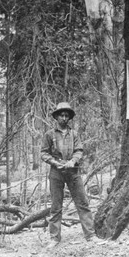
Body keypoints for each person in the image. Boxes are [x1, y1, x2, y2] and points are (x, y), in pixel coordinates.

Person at [41, 102, 98, 248]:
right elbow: (43, 153)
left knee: (82, 203)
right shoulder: (49, 134)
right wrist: (55, 162)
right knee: (55, 206)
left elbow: (79, 150)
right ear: (57, 117)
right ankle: (54, 238)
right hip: (56, 173)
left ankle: (90, 236)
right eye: (62, 115)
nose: (64, 118)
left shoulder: (74, 134)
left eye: (67, 115)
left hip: (73, 172)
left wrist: (73, 161)